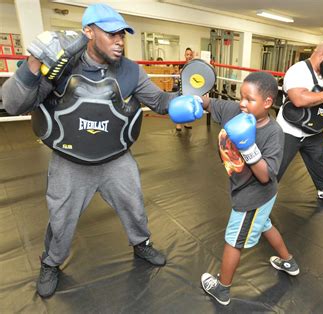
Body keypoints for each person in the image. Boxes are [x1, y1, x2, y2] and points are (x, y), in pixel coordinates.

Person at [2, 3, 199, 298]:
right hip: (70, 161)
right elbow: (14, 104)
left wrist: (186, 100)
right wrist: (33, 63)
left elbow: (159, 101)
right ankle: (51, 263)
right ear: (89, 31)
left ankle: (141, 243)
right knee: (61, 218)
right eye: (111, 34)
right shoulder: (60, 66)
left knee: (134, 205)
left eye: (122, 35)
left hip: (116, 160)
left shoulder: (131, 71)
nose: (119, 41)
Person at [169, 72, 299, 305]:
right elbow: (213, 103)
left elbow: (265, 175)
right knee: (265, 225)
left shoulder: (273, 133)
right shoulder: (237, 112)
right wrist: (197, 101)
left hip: (254, 196)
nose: (242, 103)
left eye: (249, 99)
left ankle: (223, 288)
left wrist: (248, 147)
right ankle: (288, 261)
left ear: (267, 102)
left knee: (233, 240)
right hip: (255, 194)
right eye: (241, 97)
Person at [276, 39, 323, 202]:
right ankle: (263, 195)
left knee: (318, 160)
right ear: (322, 54)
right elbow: (299, 99)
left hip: (314, 127)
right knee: (276, 166)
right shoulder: (298, 71)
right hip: (289, 129)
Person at [175, 47, 194, 131]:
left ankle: (186, 123)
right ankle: (178, 124)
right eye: (187, 54)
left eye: (190, 54)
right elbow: (181, 72)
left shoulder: (193, 64)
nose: (189, 56)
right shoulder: (182, 64)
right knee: (180, 105)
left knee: (187, 105)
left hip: (189, 87)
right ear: (185, 55)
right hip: (182, 86)